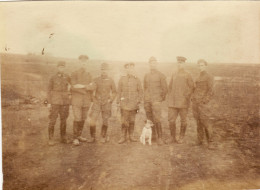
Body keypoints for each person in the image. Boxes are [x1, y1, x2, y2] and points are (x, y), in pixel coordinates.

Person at [167, 56, 194, 144]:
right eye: (178, 62)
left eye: (181, 62)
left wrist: (186, 96)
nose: (179, 64)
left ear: (184, 64)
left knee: (183, 120)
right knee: (171, 120)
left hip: (183, 102)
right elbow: (170, 87)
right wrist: (170, 97)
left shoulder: (188, 74)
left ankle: (181, 137)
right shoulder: (174, 74)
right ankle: (172, 137)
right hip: (173, 103)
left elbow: (192, 87)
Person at [88, 63, 117, 143]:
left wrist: (110, 100)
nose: (104, 71)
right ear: (100, 70)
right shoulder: (96, 79)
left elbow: (114, 92)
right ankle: (92, 137)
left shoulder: (111, 80)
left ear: (108, 71)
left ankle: (103, 136)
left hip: (106, 103)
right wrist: (93, 99)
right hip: (97, 102)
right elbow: (91, 90)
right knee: (93, 119)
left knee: (105, 120)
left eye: (106, 70)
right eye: (102, 70)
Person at [71, 55, 95, 146]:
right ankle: (75, 138)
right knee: (77, 118)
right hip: (77, 99)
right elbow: (73, 86)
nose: (84, 63)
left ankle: (79, 135)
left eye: (85, 62)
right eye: (82, 62)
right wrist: (86, 86)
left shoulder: (89, 74)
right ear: (79, 62)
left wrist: (82, 86)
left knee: (83, 118)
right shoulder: (74, 73)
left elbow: (92, 86)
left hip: (86, 100)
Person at [143, 56, 168, 145]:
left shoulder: (161, 75)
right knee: (149, 118)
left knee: (157, 118)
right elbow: (145, 88)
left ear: (156, 64)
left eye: (154, 63)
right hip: (148, 100)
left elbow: (165, 89)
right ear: (149, 64)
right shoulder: (146, 75)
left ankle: (160, 137)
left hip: (156, 100)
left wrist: (160, 99)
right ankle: (152, 136)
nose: (152, 65)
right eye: (151, 63)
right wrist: (146, 99)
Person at [117, 62, 143, 144]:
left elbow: (141, 92)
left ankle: (131, 135)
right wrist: (119, 102)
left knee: (132, 120)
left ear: (133, 69)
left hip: (133, 104)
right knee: (124, 121)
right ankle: (123, 136)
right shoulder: (122, 79)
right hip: (124, 104)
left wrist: (138, 101)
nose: (130, 69)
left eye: (131, 68)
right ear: (126, 69)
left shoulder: (137, 79)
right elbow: (119, 91)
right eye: (128, 68)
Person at [192, 59, 214, 149]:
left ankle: (211, 142)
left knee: (206, 122)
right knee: (198, 122)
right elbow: (195, 89)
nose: (200, 67)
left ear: (206, 66)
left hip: (203, 104)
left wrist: (205, 101)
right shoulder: (198, 77)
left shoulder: (209, 76)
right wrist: (193, 98)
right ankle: (200, 140)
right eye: (199, 65)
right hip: (196, 103)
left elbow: (211, 90)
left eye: (202, 65)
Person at [47, 61, 71, 146]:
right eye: (60, 67)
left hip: (64, 102)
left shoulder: (67, 77)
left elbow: (70, 87)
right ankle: (51, 139)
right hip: (55, 101)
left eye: (63, 67)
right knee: (53, 120)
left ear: (65, 68)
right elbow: (49, 90)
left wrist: (69, 96)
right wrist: (49, 102)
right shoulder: (53, 77)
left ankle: (63, 137)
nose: (62, 68)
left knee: (64, 120)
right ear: (57, 67)